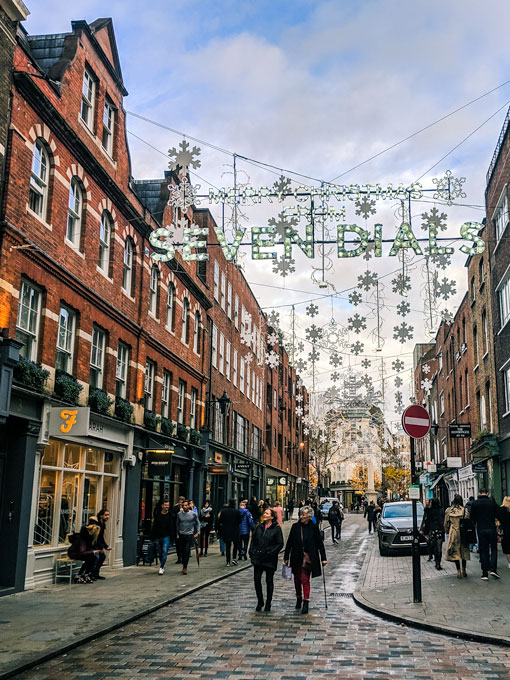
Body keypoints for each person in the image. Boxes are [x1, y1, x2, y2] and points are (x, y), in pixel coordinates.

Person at [284, 505, 327, 614]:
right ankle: (299, 597)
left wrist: (323, 558)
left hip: (308, 557)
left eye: (303, 514)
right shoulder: (295, 527)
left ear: (308, 516)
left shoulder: (314, 528)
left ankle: (306, 601)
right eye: (301, 514)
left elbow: (319, 544)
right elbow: (289, 543)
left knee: (305, 579)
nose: (301, 516)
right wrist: (286, 557)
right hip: (296, 556)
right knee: (297, 579)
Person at [249, 507, 284, 612]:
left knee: (269, 580)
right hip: (258, 558)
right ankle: (260, 601)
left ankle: (268, 602)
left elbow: (280, 543)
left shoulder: (276, 529)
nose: (264, 515)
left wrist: (271, 552)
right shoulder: (259, 527)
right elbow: (253, 541)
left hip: (269, 559)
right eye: (264, 513)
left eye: (267, 513)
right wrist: (251, 552)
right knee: (257, 579)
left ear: (272, 517)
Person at [470, 489, 500, 580]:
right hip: (491, 528)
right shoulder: (492, 503)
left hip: (481, 529)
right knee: (494, 549)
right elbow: (497, 514)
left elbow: (472, 517)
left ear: (479, 493)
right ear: (487, 494)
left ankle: (484, 573)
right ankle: (493, 569)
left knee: (484, 550)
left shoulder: (475, 503)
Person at [444, 494, 470, 579]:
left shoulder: (449, 510)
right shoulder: (464, 510)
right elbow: (467, 521)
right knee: (463, 551)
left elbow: (445, 523)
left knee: (455, 552)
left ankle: (458, 571)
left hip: (453, 532)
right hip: (463, 533)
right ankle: (464, 569)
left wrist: (446, 531)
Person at [176, 500, 200, 575]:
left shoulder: (193, 514)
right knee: (182, 551)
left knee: (187, 551)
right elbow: (177, 524)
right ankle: (184, 563)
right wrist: (177, 533)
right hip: (181, 534)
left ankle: (185, 567)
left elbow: (198, 523)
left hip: (189, 535)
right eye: (183, 505)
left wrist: (198, 532)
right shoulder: (179, 514)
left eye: (186, 505)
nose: (184, 507)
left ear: (189, 506)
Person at [421, 497, 445, 570]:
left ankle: (436, 562)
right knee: (439, 547)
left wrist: (426, 532)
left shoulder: (429, 511)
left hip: (432, 530)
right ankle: (438, 563)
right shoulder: (441, 510)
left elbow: (427, 521)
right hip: (439, 530)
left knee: (434, 546)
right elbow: (443, 520)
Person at [216, 500, 242, 566]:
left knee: (228, 546)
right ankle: (234, 558)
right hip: (235, 530)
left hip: (226, 531)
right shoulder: (237, 511)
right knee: (235, 545)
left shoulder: (224, 512)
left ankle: (228, 561)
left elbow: (220, 521)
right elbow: (240, 521)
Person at [150, 500, 172, 575]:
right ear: (162, 506)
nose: (167, 507)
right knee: (160, 553)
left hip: (166, 536)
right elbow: (155, 526)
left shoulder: (170, 515)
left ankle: (161, 567)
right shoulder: (158, 515)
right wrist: (153, 536)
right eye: (166, 505)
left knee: (165, 551)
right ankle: (162, 563)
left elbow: (173, 526)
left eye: (168, 505)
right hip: (158, 536)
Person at [88, 509, 110, 579]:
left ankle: (95, 574)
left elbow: (101, 537)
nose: (108, 517)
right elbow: (95, 537)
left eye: (108, 515)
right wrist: (101, 547)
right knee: (96, 558)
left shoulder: (102, 524)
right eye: (106, 515)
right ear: (101, 515)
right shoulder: (96, 524)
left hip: (97, 544)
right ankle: (90, 574)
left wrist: (105, 546)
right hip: (91, 544)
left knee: (102, 557)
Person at [172, 496, 185, 564]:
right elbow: (173, 516)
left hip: (184, 529)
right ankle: (179, 558)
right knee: (177, 544)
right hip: (177, 529)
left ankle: (183, 557)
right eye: (179, 501)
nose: (180, 503)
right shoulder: (175, 508)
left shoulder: (185, 509)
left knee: (183, 544)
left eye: (182, 502)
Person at [499, 496, 510, 568]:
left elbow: (500, 521)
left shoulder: (502, 510)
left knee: (507, 548)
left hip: (506, 531)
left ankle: (509, 563)